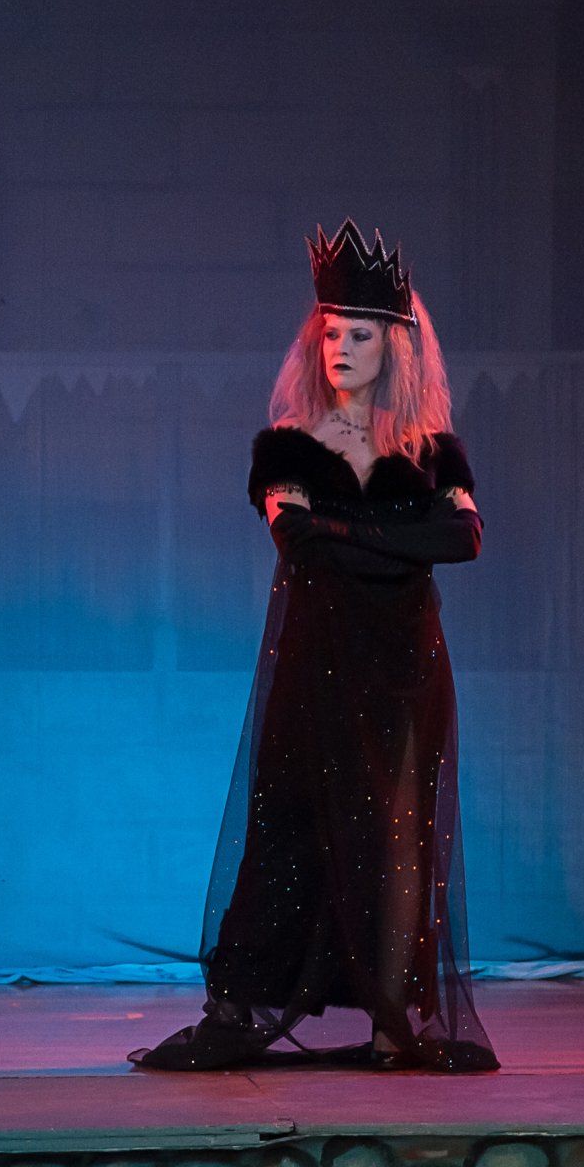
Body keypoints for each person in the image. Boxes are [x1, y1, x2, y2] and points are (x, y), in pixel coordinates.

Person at [127, 219, 500, 1073]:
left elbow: (464, 540)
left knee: (398, 842)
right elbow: (297, 542)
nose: (341, 350)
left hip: (404, 667)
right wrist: (397, 539)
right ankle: (248, 1001)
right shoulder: (287, 449)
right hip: (320, 665)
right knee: (292, 829)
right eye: (331, 334)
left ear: (394, 346)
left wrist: (346, 531)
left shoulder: (432, 453)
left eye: (359, 335)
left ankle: (391, 1020)